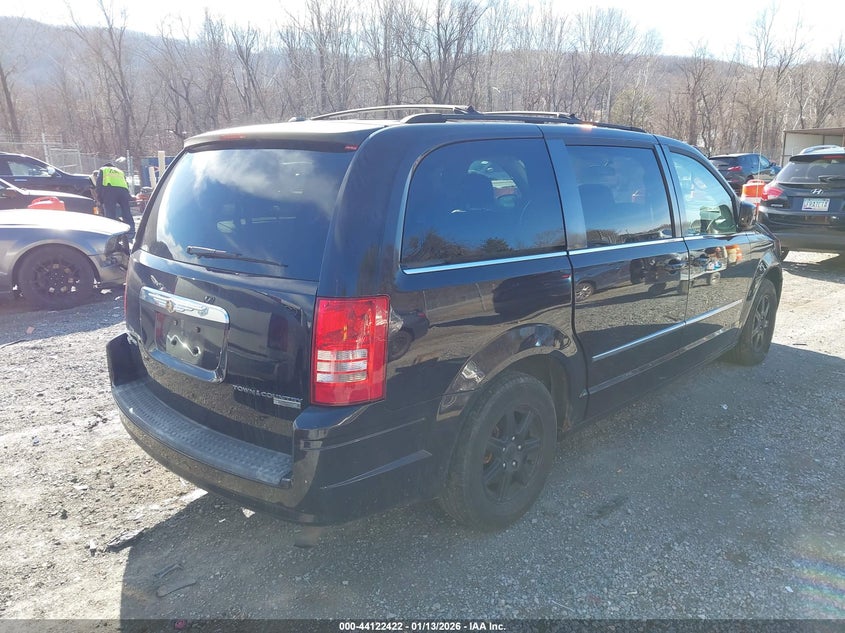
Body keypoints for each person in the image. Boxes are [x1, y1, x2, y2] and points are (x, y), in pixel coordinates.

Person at [96, 162, 135, 238]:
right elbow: (126, 183)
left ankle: (112, 232)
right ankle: (131, 231)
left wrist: (100, 199)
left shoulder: (103, 169)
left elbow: (99, 183)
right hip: (123, 191)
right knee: (126, 211)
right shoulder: (120, 171)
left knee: (110, 212)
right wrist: (128, 195)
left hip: (110, 190)